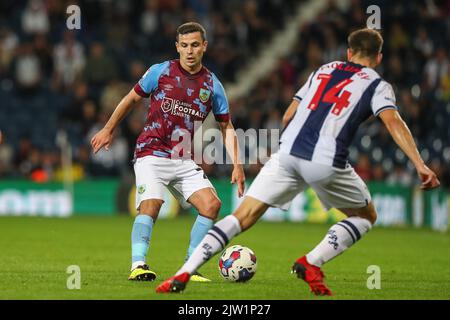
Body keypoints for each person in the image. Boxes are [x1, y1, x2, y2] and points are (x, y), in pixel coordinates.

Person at [156, 28, 440, 295]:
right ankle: (312, 262)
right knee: (365, 217)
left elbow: (289, 114)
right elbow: (393, 121)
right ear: (378, 58)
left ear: (349, 53)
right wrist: (420, 164)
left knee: (240, 217)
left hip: (287, 153)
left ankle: (183, 272)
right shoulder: (378, 85)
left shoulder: (324, 70)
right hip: (326, 160)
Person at [90, 22, 245, 283]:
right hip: (151, 152)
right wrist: (108, 128)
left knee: (212, 205)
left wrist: (237, 164)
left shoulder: (212, 85)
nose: (190, 51)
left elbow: (226, 125)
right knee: (152, 205)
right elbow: (130, 99)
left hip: (182, 158)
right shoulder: (160, 72)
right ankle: (138, 265)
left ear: (204, 46)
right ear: (177, 47)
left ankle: (189, 267)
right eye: (184, 45)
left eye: (195, 45)